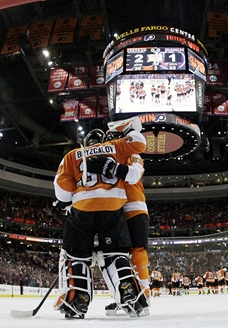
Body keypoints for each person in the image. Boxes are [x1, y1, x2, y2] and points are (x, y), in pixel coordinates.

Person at [52, 117, 146, 319]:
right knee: (116, 254)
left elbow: (61, 188)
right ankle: (128, 292)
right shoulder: (115, 146)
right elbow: (140, 143)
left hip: (82, 209)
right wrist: (130, 128)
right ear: (103, 139)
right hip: (113, 208)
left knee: (77, 256)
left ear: (87, 142)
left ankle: (78, 302)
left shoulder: (73, 154)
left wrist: (68, 202)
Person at [104, 118, 152, 317]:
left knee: (137, 251)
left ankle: (145, 297)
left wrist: (113, 168)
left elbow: (132, 175)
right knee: (120, 254)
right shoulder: (118, 155)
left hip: (134, 208)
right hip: (117, 209)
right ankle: (127, 295)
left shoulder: (133, 154)